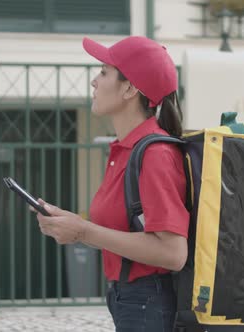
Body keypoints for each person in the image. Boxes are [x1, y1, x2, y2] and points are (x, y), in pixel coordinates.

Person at [33, 36, 189, 332]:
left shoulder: (155, 154)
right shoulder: (125, 150)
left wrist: (83, 230)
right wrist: (73, 228)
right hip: (129, 299)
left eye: (104, 72)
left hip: (147, 303)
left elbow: (173, 254)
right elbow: (121, 234)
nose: (94, 81)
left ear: (130, 88)